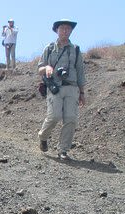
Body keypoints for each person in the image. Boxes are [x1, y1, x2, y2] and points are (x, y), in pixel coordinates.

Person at [37, 19, 86, 160]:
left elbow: (80, 72)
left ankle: (63, 150)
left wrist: (82, 92)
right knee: (54, 117)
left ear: (71, 31)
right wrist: (46, 67)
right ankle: (43, 136)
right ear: (57, 30)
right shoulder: (50, 48)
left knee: (71, 119)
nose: (65, 30)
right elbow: (39, 68)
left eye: (68, 28)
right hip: (55, 87)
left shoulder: (76, 49)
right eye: (62, 28)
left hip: (72, 87)